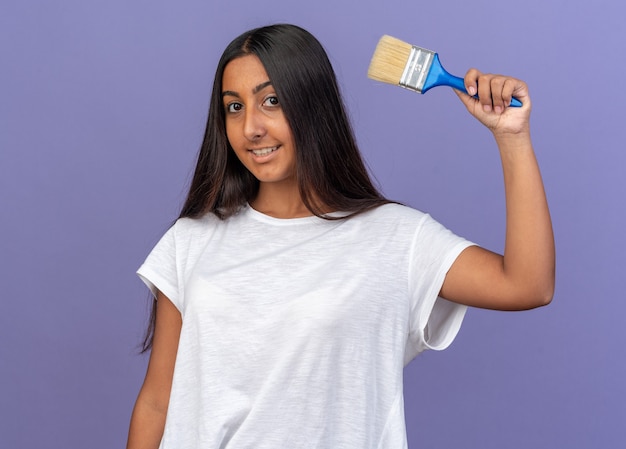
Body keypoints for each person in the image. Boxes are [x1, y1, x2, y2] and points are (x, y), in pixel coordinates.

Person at [126, 23, 555, 449]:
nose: (250, 128)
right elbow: (157, 403)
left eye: (271, 101)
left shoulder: (395, 238)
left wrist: (512, 138)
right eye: (234, 107)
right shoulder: (192, 241)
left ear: (313, 107)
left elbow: (528, 285)